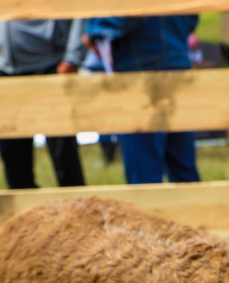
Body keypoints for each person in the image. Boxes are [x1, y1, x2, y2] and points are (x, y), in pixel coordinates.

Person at [85, 16, 201, 185]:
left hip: (142, 58)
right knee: (182, 162)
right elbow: (191, 15)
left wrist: (94, 28)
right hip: (175, 54)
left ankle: (151, 208)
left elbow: (127, 16)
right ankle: (194, 209)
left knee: (144, 167)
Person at [0, 19, 87, 190]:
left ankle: (78, 212)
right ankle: (24, 212)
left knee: (64, 156)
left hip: (50, 67)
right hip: (3, 70)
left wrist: (72, 59)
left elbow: (79, 13)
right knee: (13, 158)